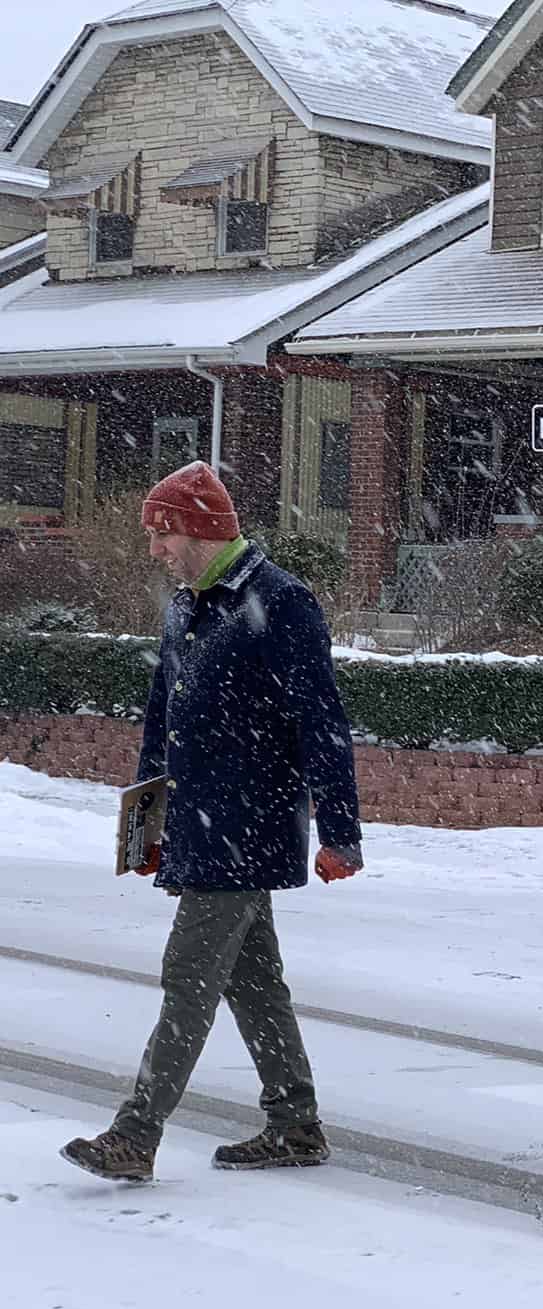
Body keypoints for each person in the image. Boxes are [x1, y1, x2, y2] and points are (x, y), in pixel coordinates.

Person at [60, 462, 362, 1183]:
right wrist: (143, 826)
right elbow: (161, 720)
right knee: (254, 980)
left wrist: (340, 831)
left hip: (247, 827)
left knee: (188, 975)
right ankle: (295, 1124)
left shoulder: (281, 601)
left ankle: (136, 1135)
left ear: (198, 530)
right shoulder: (187, 605)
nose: (154, 550)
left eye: (161, 535)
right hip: (198, 826)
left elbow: (322, 720)